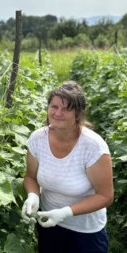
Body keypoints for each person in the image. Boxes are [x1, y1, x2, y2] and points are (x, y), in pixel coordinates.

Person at [21, 81, 113, 253]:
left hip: (86, 231)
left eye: (66, 109)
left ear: (78, 114)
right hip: (47, 221)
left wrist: (64, 213)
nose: (57, 113)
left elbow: (105, 196)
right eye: (54, 106)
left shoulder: (93, 147)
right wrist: (33, 196)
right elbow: (31, 177)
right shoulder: (37, 139)